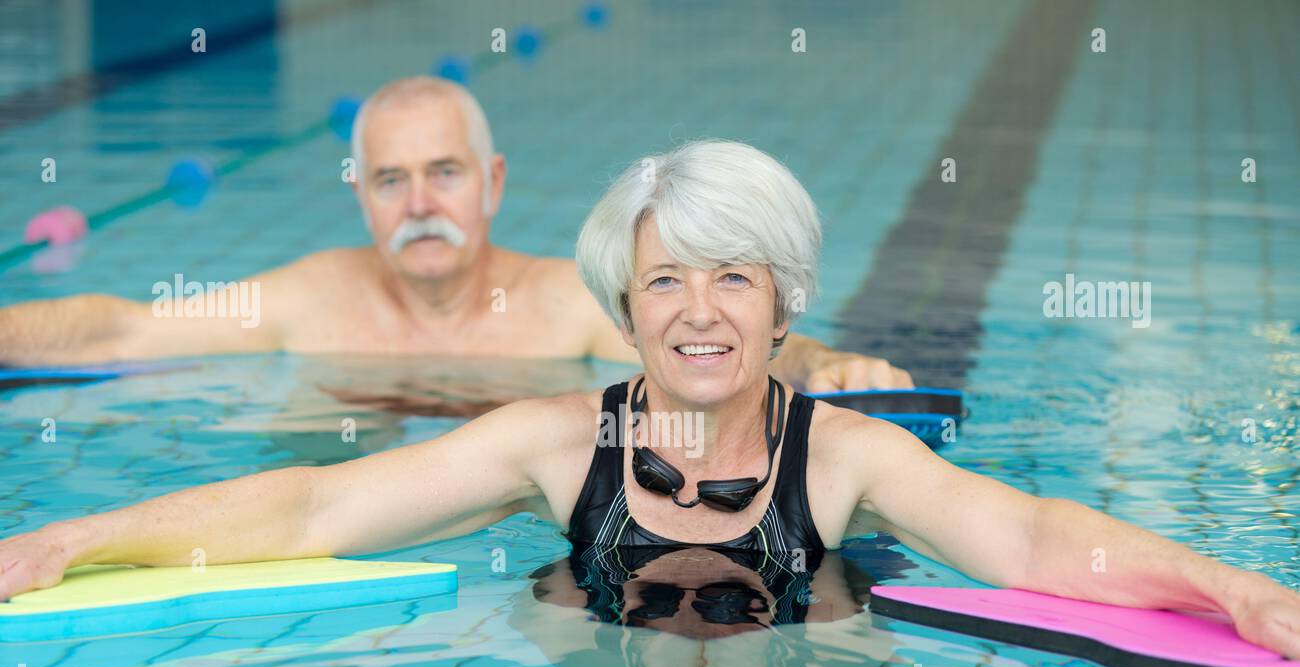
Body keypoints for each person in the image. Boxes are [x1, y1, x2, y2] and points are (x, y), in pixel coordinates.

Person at [2, 140, 1297, 661]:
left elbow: (1028, 537)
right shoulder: (560, 444)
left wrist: (1234, 590)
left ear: (784, 308)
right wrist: (66, 540)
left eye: (731, 279)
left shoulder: (842, 460)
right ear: (623, 312)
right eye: (663, 280)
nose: (696, 310)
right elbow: (310, 507)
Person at [0, 77, 910, 394]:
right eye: (391, 181)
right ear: (360, 194)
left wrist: (827, 368)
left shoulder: (565, 306)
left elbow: (720, 342)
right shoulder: (309, 297)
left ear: (493, 182)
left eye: (445, 173)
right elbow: (120, 331)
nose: (419, 204)